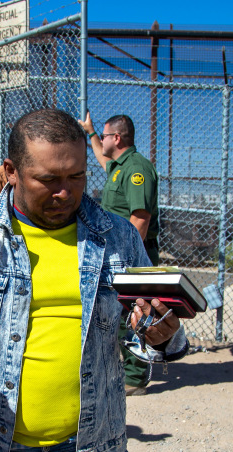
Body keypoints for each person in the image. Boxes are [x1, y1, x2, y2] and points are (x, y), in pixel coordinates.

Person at [0, 108, 184, 452]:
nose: (65, 191)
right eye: (48, 179)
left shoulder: (117, 237)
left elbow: (146, 331)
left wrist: (161, 334)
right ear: (11, 171)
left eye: (77, 176)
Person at [79, 111, 160, 396]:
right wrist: (90, 133)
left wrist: (128, 258)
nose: (100, 141)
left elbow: (140, 218)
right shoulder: (119, 167)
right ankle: (123, 367)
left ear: (116, 138)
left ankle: (136, 378)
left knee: (136, 312)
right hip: (117, 252)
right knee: (119, 311)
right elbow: (104, 160)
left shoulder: (137, 169)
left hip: (134, 251)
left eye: (102, 136)